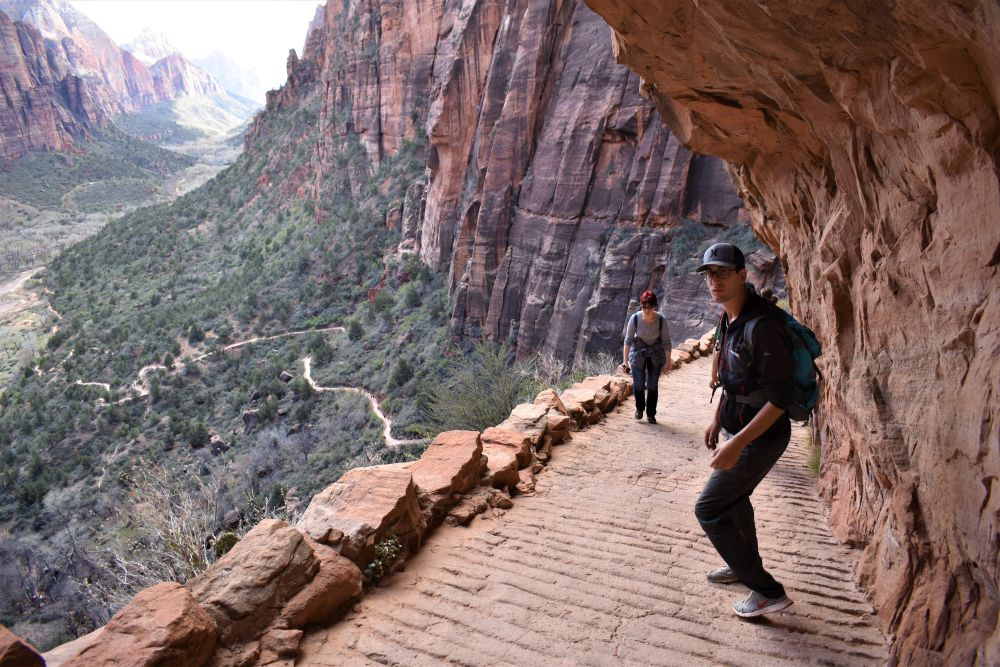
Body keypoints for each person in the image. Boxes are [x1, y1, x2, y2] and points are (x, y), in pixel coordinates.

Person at [694, 242, 796, 618]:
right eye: (709, 274)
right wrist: (718, 419)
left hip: (760, 437)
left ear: (742, 275)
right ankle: (742, 567)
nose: (714, 281)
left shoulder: (763, 326)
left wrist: (737, 443)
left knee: (709, 509)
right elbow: (733, 381)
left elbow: (781, 398)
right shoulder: (730, 318)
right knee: (736, 501)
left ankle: (767, 591)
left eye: (722, 273)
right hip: (738, 430)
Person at [621, 290, 671, 424]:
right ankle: (639, 409)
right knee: (638, 385)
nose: (646, 310)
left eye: (649, 307)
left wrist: (668, 361)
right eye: (644, 307)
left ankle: (651, 414)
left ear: (655, 306)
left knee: (652, 386)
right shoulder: (635, 318)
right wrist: (625, 361)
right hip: (638, 353)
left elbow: (666, 343)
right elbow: (628, 341)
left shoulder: (661, 321)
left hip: (655, 354)